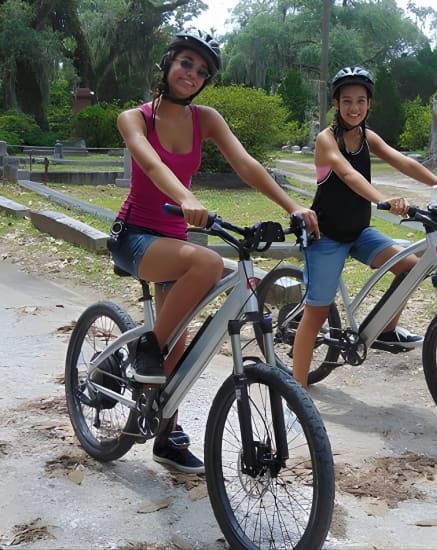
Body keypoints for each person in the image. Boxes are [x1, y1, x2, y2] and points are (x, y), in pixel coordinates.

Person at [109, 28, 319, 473]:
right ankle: (144, 349)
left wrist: (293, 205)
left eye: (202, 71)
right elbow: (150, 162)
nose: (193, 74)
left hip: (175, 243)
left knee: (183, 344)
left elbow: (246, 163)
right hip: (135, 238)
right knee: (205, 266)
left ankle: (165, 435)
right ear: (167, 64)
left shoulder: (206, 118)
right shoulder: (135, 117)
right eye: (186, 63)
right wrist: (185, 198)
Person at [292, 66, 437, 388]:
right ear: (335, 102)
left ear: (370, 104)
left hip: (358, 232)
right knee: (316, 315)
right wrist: (382, 200)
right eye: (347, 101)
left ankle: (386, 330)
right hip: (327, 236)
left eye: (361, 100)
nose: (354, 107)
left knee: (410, 267)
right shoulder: (326, 139)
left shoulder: (367, 137)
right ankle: (295, 392)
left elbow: (404, 162)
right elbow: (347, 174)